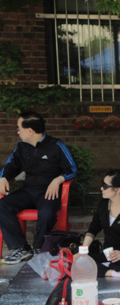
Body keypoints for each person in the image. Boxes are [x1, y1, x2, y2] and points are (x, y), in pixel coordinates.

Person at [0, 111, 77, 264]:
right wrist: (2, 177)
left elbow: (72, 169)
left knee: (46, 214)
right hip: (28, 191)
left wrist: (58, 180)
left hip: (49, 193)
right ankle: (21, 248)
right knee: (2, 206)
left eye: (19, 128)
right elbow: (10, 166)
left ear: (30, 130)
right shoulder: (21, 147)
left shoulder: (57, 146)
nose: (17, 132)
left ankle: (39, 249)